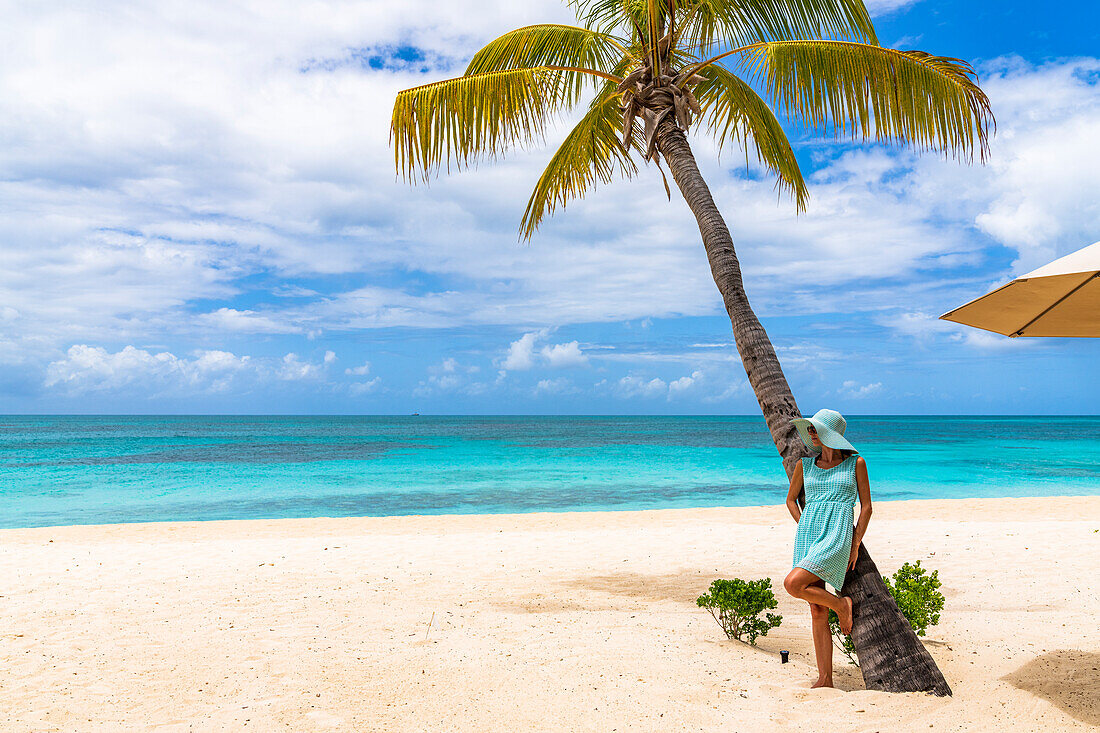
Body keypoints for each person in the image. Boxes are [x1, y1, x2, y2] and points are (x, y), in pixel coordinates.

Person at [782, 408, 872, 689]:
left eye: (815, 428)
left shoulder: (855, 464)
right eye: (809, 429)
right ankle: (825, 678)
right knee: (816, 610)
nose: (810, 433)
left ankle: (841, 604)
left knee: (792, 583)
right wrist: (805, 524)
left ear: (829, 434)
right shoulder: (804, 466)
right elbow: (790, 501)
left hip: (837, 536)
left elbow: (867, 508)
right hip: (809, 536)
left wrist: (854, 542)